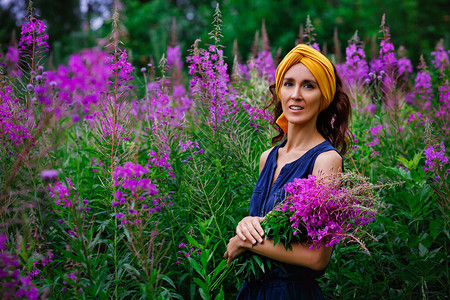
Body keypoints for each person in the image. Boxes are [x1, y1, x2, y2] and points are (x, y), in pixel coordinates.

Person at [223, 44, 351, 299]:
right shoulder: (267, 157)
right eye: (289, 83)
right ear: (279, 90)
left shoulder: (326, 161)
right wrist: (246, 226)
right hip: (252, 292)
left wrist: (245, 241)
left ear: (323, 97)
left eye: (309, 86)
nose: (296, 95)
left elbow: (316, 258)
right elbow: (264, 225)